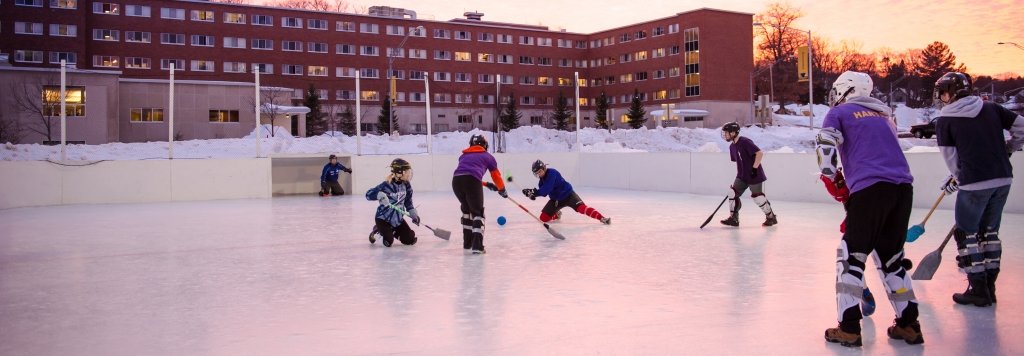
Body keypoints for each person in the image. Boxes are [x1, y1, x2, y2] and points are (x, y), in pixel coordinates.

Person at [817, 70, 921, 347]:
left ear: (846, 90)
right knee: (892, 260)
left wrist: (828, 172)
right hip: (903, 189)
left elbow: (826, 144)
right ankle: (909, 325)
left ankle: (849, 327)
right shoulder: (885, 116)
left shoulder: (839, 113)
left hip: (870, 189)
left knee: (851, 258)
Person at [933, 71, 1024, 307]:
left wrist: (959, 177)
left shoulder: (945, 119)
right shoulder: (992, 108)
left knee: (967, 234)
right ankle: (990, 288)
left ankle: (978, 289)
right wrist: (1009, 149)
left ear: (950, 93)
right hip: (1003, 179)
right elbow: (1022, 127)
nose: (941, 97)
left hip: (973, 183)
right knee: (990, 232)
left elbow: (951, 158)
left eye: (942, 92)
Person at [453, 134, 506, 254]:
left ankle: (467, 243)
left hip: (456, 182)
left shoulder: (463, 156)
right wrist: (501, 188)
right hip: (471, 181)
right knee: (478, 213)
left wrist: (486, 184)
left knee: (467, 211)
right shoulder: (487, 156)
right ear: (484, 145)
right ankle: (477, 246)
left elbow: (466, 175)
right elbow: (495, 175)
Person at [719, 122, 777, 227]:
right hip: (742, 176)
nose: (725, 135)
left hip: (754, 174)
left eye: (727, 133)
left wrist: (754, 169)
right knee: (732, 194)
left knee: (758, 197)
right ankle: (734, 219)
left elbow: (759, 153)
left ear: (733, 133)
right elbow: (740, 161)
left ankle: (771, 217)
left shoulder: (745, 142)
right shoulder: (732, 147)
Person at [522, 160, 610, 225]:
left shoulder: (552, 173)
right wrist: (532, 194)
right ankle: (557, 214)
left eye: (540, 172)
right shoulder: (541, 181)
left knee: (582, 208)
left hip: (569, 195)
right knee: (543, 218)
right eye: (536, 173)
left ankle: (602, 218)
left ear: (544, 168)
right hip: (556, 200)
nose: (539, 175)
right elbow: (544, 193)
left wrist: (533, 192)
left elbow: (546, 189)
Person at [365, 158, 418, 247]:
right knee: (388, 242)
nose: (409, 174)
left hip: (398, 220)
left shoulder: (406, 185)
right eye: (406, 171)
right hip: (383, 219)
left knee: (410, 240)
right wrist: (378, 195)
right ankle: (377, 229)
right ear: (399, 172)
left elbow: (408, 201)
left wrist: (413, 213)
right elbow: (368, 195)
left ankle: (391, 230)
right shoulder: (386, 185)